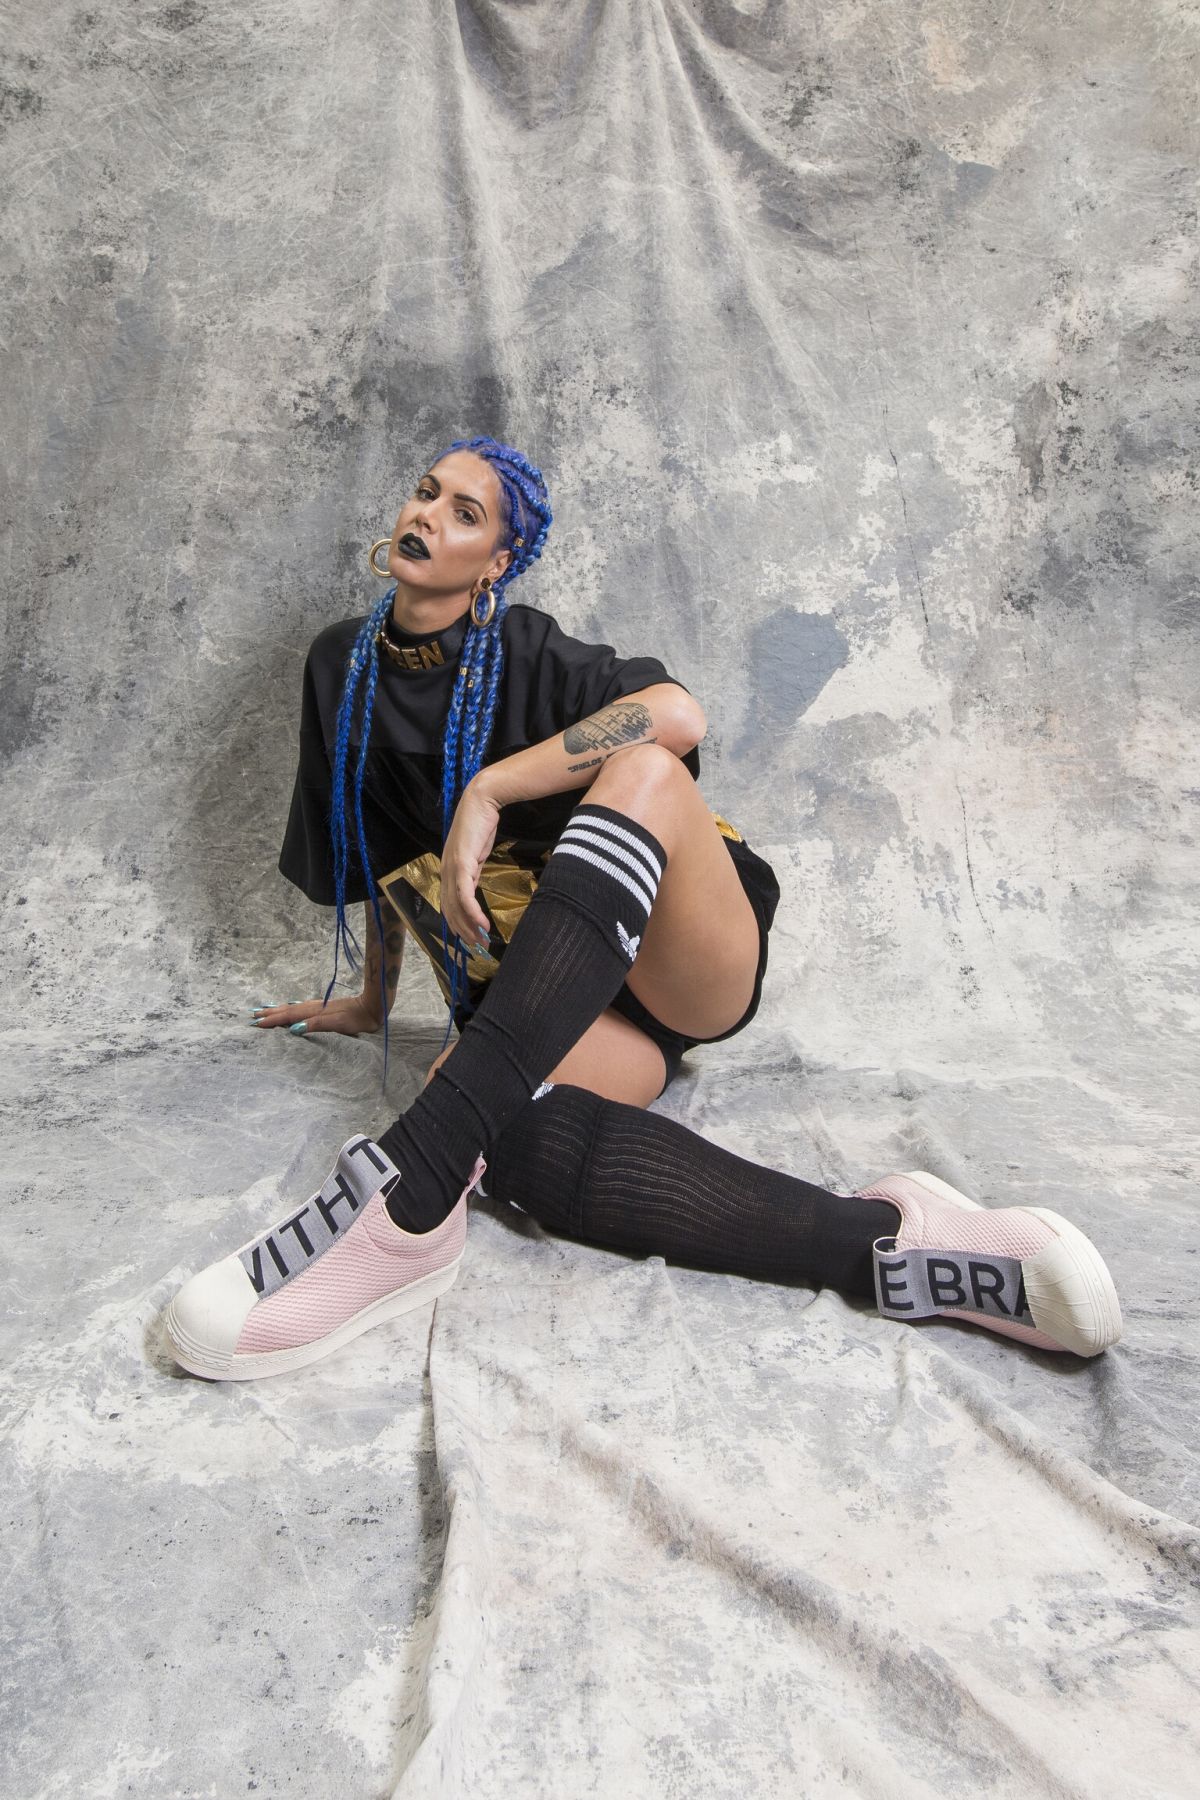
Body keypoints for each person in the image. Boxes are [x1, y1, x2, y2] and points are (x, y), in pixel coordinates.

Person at [163, 436, 1123, 1382]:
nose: (429, 516)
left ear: (496, 561)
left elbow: (676, 717)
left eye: (465, 513)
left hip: (680, 953)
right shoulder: (341, 666)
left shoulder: (526, 650)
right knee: (486, 1112)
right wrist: (375, 1001)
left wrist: (490, 789)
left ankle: (402, 1200)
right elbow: (379, 854)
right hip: (552, 1000)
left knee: (648, 771)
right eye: (426, 492)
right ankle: (884, 1242)